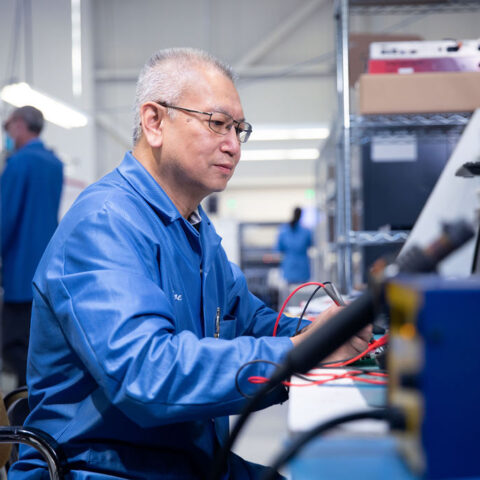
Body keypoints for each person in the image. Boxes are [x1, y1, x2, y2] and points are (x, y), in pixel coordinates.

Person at [10, 48, 371, 480]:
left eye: (240, 129)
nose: (234, 145)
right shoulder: (104, 225)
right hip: (102, 467)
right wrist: (298, 355)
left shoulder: (194, 233)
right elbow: (149, 375)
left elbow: (250, 321)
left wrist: (336, 334)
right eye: (218, 124)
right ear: (154, 122)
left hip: (181, 458)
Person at [1, 106, 63, 387]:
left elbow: (5, 218)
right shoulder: (54, 163)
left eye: (9, 126)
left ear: (20, 126)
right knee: (36, 345)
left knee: (12, 345)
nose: (7, 134)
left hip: (18, 271)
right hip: (46, 269)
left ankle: (23, 405)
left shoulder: (19, 164)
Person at [276, 207, 313, 285]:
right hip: (303, 268)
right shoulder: (306, 231)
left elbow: (279, 248)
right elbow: (310, 244)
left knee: (291, 294)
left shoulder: (283, 230)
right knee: (303, 293)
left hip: (289, 267)